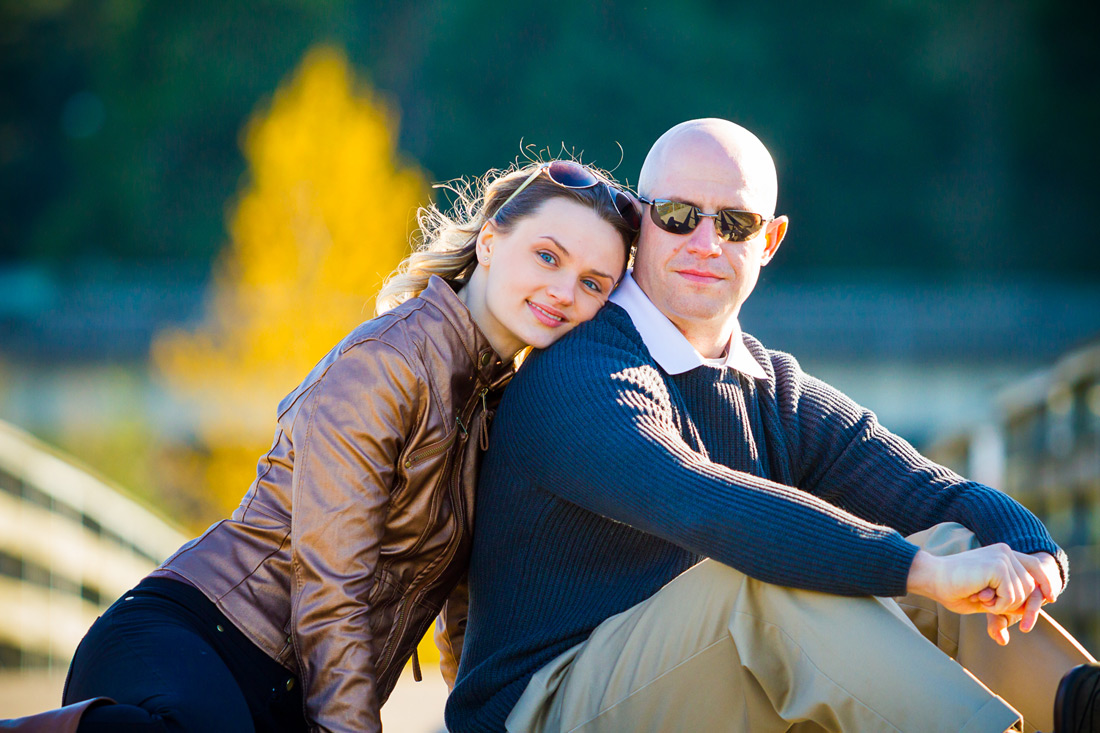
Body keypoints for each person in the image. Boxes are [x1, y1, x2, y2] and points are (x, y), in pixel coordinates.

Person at [445, 119, 1099, 733]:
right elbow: (708, 504)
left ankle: (1080, 704)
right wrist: (918, 569)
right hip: (540, 706)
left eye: (734, 222)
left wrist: (1034, 551)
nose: (705, 243)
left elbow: (932, 491)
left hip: (685, 681)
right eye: (678, 217)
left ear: (769, 240)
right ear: (641, 224)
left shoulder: (768, 384)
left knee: (958, 546)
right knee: (760, 579)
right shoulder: (583, 371)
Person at [7, 159, 639, 733]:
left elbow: (467, 614)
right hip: (197, 638)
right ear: (492, 242)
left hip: (288, 692)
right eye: (548, 257)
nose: (564, 291)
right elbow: (331, 581)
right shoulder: (389, 363)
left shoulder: (502, 404)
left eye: (593, 283)